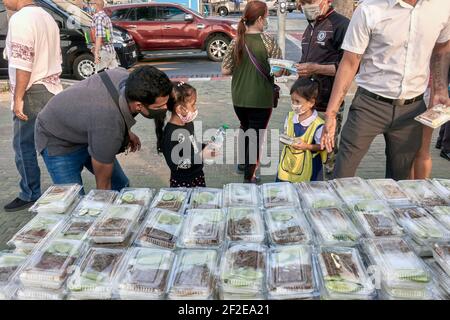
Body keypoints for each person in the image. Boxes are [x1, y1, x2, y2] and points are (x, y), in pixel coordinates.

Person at [320, 0, 450, 181]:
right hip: (369, 106)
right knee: (342, 173)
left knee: (402, 180)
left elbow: (442, 48)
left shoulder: (442, 6)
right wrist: (331, 113)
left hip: (412, 109)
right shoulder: (369, 9)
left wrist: (441, 88)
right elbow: (350, 62)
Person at [34, 66, 173, 192]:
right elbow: (103, 187)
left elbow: (112, 113)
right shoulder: (108, 126)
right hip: (57, 139)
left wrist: (126, 131)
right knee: (72, 200)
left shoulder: (125, 77)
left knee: (120, 185)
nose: (165, 108)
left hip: (90, 127)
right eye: (159, 107)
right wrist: (103, 206)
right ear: (138, 106)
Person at [3, 0, 63, 212]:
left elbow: (23, 63)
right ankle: (73, 186)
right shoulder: (47, 16)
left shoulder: (21, 19)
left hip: (31, 91)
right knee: (59, 142)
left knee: (23, 145)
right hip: (52, 88)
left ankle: (30, 193)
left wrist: (18, 98)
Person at [222, 0, 283, 183]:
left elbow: (224, 70)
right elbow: (278, 70)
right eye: (266, 17)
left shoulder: (236, 41)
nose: (267, 20)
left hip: (239, 97)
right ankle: (250, 177)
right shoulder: (268, 42)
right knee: (256, 138)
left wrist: (242, 68)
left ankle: (242, 164)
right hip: (260, 99)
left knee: (245, 129)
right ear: (258, 19)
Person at [296, 0, 349, 180]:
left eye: (310, 1)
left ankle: (331, 187)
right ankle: (307, 182)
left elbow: (349, 68)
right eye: (303, 2)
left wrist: (315, 68)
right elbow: (308, 60)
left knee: (327, 151)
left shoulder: (341, 25)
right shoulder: (311, 26)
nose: (305, 6)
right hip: (306, 102)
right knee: (306, 149)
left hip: (328, 104)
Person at [160, 82, 216, 188]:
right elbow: (175, 164)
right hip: (182, 181)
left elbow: (191, 145)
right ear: (180, 109)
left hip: (197, 175)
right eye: (193, 104)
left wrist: (204, 147)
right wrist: (201, 156)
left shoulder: (188, 124)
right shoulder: (171, 133)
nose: (195, 108)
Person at [277, 77, 327, 183]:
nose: (294, 104)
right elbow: (287, 132)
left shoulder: (318, 125)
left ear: (311, 102)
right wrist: (285, 138)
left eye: (297, 101)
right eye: (292, 100)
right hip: (288, 165)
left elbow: (322, 147)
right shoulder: (290, 117)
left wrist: (307, 146)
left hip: (309, 168)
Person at [91, 0, 119, 72]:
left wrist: (96, 53)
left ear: (95, 5)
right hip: (111, 50)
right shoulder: (106, 17)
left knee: (100, 77)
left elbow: (99, 35)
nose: (90, 6)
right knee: (114, 76)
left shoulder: (98, 17)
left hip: (103, 51)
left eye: (91, 4)